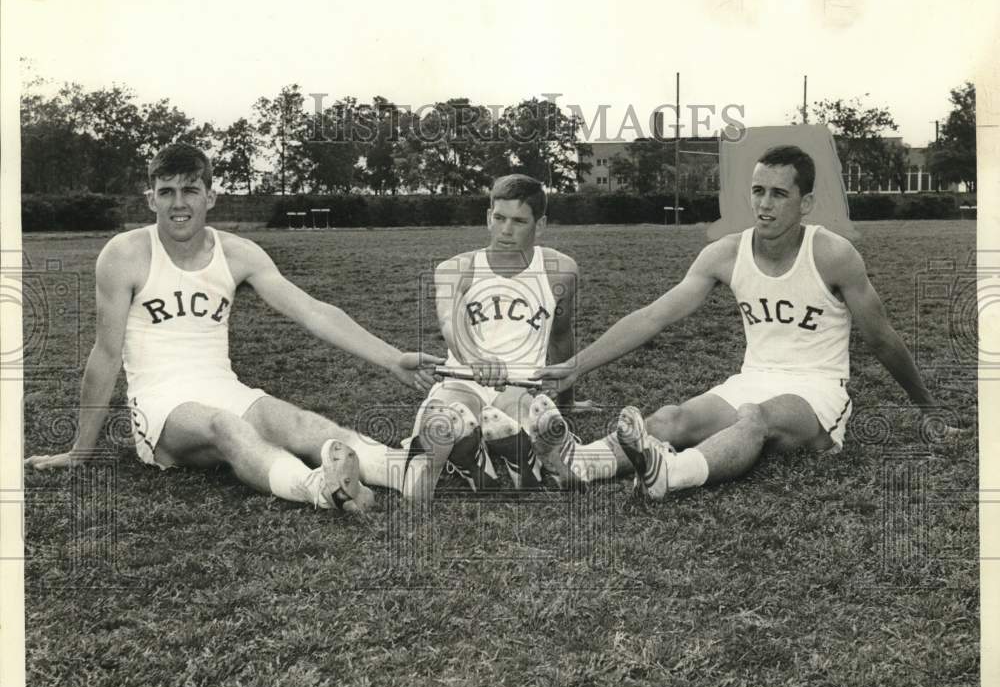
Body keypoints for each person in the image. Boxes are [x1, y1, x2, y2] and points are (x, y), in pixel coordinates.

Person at [24, 143, 446, 512]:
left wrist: (393, 359)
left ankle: (401, 470)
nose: (178, 203)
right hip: (160, 406)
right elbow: (106, 353)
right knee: (228, 427)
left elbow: (313, 312)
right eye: (166, 192)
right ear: (150, 199)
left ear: (211, 195)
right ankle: (318, 488)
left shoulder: (239, 252)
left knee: (300, 424)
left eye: (189, 190)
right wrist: (81, 450)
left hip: (224, 388)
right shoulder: (125, 254)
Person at [529, 144, 945, 498]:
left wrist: (928, 409)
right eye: (758, 191)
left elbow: (881, 338)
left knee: (755, 417)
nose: (764, 205)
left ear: (806, 203)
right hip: (753, 378)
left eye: (779, 194)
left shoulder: (833, 254)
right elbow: (655, 315)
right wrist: (574, 365)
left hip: (817, 390)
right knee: (670, 419)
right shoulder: (726, 253)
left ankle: (671, 474)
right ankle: (579, 463)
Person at [401, 174, 580, 501]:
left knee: (533, 416)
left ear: (540, 225)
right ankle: (452, 455)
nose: (506, 230)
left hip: (520, 382)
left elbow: (561, 337)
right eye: (499, 218)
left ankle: (495, 451)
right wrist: (474, 357)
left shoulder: (561, 270)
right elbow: (448, 321)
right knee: (443, 419)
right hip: (465, 377)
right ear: (488, 217)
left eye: (519, 221)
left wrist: (567, 404)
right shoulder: (455, 268)